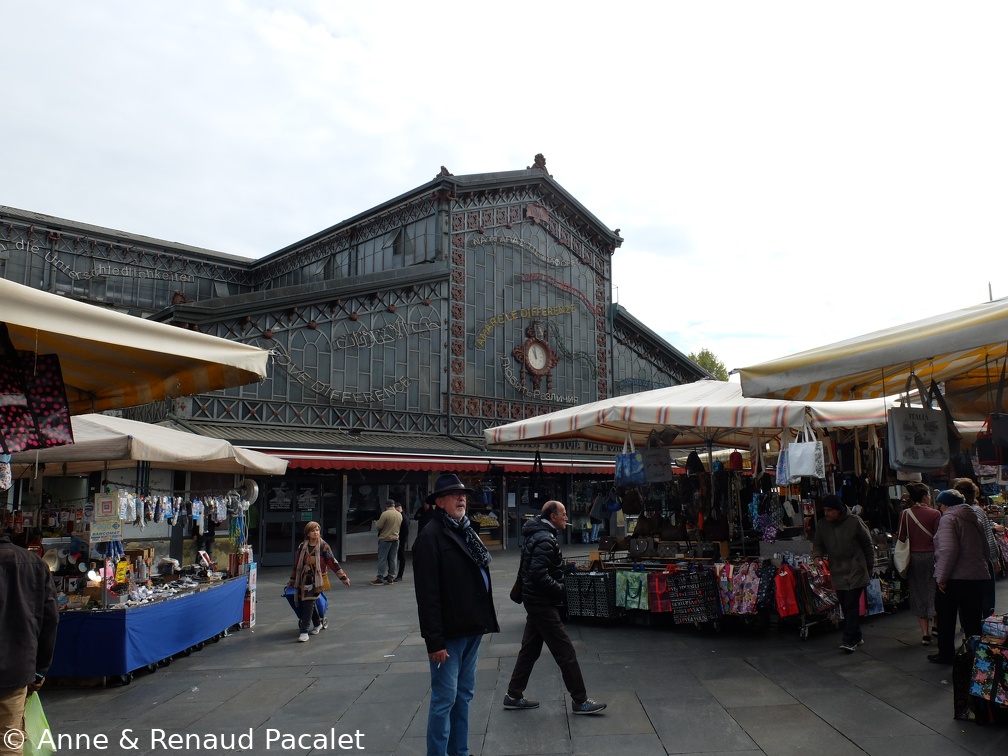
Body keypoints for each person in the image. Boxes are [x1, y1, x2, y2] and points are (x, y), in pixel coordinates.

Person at [413, 473, 499, 756]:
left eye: (463, 494)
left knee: (464, 696)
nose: (462, 498)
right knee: (444, 700)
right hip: (448, 634)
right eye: (454, 494)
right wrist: (434, 641)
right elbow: (427, 595)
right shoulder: (430, 536)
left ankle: (459, 751)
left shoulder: (466, 530)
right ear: (439, 502)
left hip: (472, 626)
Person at [504, 500, 607, 715]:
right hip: (541, 602)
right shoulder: (545, 539)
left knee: (529, 650)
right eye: (563, 514)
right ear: (552, 516)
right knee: (565, 651)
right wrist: (560, 589)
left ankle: (513, 695)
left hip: (534, 600)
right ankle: (580, 701)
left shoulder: (538, 535)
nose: (566, 518)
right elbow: (538, 574)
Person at [0, 530, 59, 752]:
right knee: (8, 739)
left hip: (16, 671)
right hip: (16, 670)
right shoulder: (34, 564)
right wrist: (40, 670)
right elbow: (50, 620)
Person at [928, 489, 992, 664]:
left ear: (946, 504)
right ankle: (975, 655)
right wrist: (981, 566)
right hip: (976, 576)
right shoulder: (974, 519)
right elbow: (984, 547)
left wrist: (941, 577)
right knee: (972, 619)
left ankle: (946, 653)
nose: (939, 508)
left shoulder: (948, 519)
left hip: (955, 578)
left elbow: (948, 550)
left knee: (946, 617)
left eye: (940, 504)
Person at [811, 494, 874, 653]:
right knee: (846, 605)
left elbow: (867, 545)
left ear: (839, 510)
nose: (827, 513)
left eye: (830, 510)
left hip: (856, 568)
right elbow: (818, 543)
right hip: (837, 570)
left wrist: (869, 565)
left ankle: (849, 640)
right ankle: (857, 635)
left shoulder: (854, 522)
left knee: (851, 604)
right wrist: (817, 556)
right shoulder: (822, 525)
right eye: (825, 510)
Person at [286, 521, 350, 642]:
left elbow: (332, 562)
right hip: (303, 578)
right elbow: (297, 564)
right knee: (308, 601)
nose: (316, 532)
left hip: (317, 579)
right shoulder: (302, 546)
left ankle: (304, 631)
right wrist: (292, 579)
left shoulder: (323, 546)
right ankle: (317, 623)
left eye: (317, 530)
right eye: (313, 530)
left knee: (308, 602)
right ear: (308, 533)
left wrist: (344, 577)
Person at [895, 482, 941, 645]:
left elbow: (901, 536)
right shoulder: (935, 514)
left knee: (918, 591)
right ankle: (936, 624)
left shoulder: (905, 514)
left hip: (914, 557)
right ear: (924, 497)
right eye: (928, 495)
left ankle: (925, 634)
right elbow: (938, 538)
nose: (930, 498)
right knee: (934, 590)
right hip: (932, 557)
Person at [952, 478, 998, 616]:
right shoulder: (976, 511)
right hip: (980, 559)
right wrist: (994, 559)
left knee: (966, 598)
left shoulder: (952, 513)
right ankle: (987, 626)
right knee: (986, 596)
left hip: (961, 562)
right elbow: (987, 538)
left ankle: (969, 629)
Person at [371, 500, 402, 586]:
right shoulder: (399, 514)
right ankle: (391, 578)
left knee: (382, 559)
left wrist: (376, 523)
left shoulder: (385, 514)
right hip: (395, 539)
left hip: (385, 539)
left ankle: (380, 578)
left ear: (386, 506)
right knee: (393, 559)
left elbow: (379, 526)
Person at [394, 503, 410, 582]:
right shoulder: (403, 516)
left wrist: (402, 540)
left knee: (401, 557)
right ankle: (395, 574)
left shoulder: (403, 517)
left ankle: (400, 575)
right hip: (401, 539)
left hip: (401, 540)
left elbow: (405, 530)